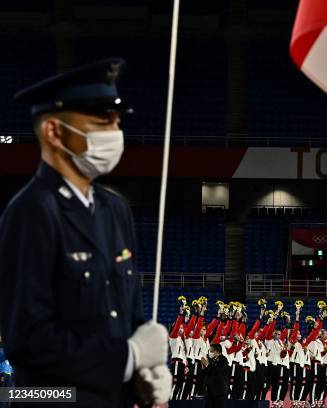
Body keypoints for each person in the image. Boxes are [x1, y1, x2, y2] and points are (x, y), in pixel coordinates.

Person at [0, 58, 171, 407]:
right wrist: (128, 358)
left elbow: (128, 313)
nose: (114, 131)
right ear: (54, 131)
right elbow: (27, 339)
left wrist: (145, 374)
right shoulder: (31, 211)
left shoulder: (115, 209)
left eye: (117, 120)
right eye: (100, 121)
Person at [203, 343, 230, 408]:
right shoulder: (212, 360)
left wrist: (207, 365)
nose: (210, 353)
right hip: (210, 391)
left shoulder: (223, 360)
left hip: (219, 391)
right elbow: (208, 372)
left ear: (216, 351)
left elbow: (217, 370)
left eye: (211, 351)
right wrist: (204, 366)